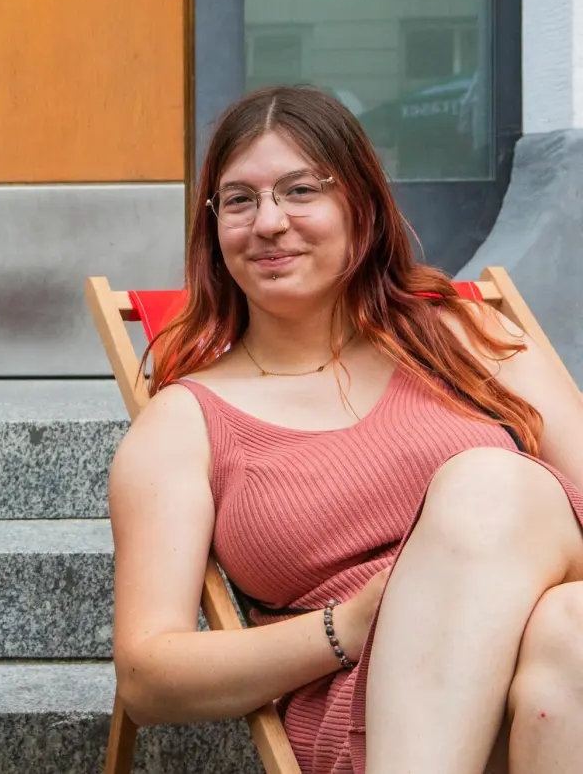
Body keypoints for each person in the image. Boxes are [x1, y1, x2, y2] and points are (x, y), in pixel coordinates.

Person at [109, 84, 583, 774]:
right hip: (370, 715)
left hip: (546, 642)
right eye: (239, 200)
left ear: (360, 204)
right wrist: (347, 626)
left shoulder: (466, 335)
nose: (269, 222)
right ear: (213, 227)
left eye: (301, 190)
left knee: (527, 551)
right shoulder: (184, 426)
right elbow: (149, 675)